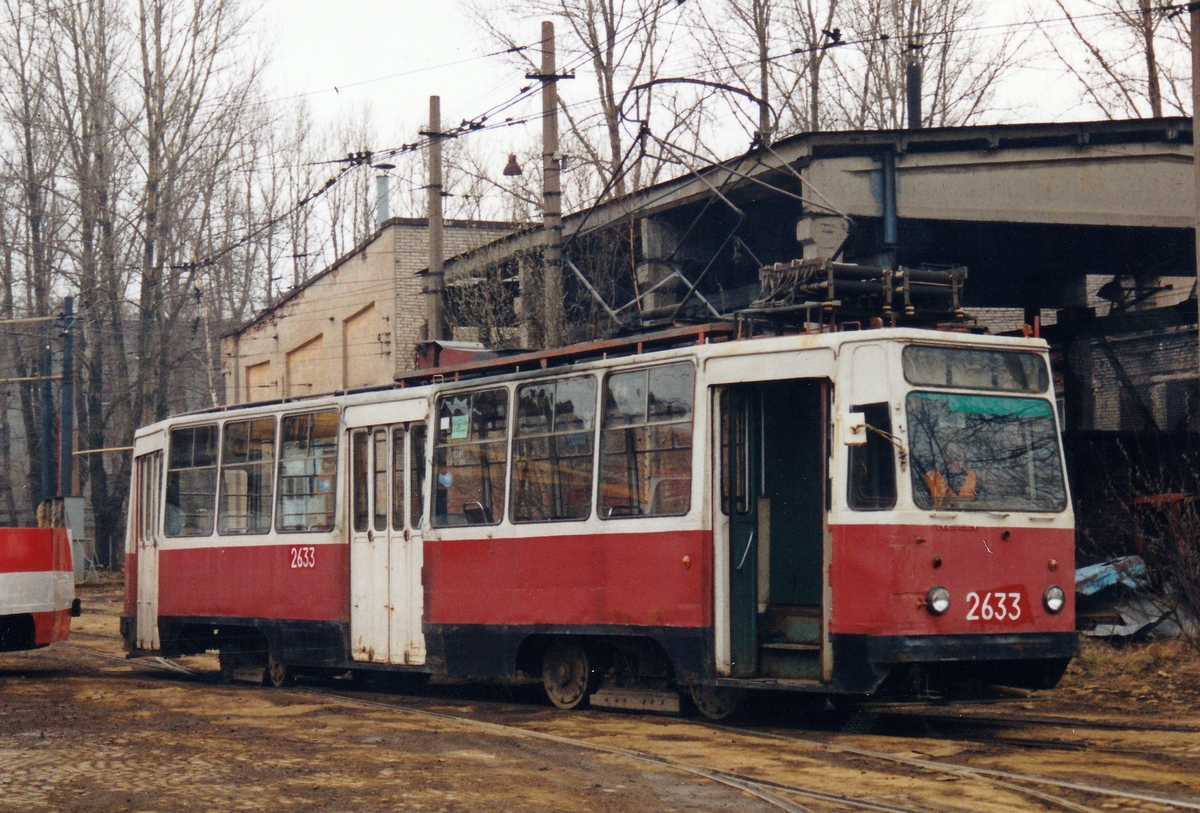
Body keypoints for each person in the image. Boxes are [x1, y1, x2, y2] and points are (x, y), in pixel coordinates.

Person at [924, 443, 976, 508]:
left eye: (957, 457)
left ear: (964, 458)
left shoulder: (974, 479)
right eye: (949, 457)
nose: (953, 461)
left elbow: (983, 503)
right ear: (944, 458)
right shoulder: (930, 478)